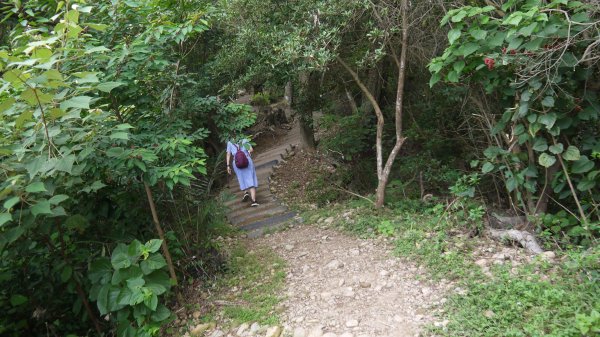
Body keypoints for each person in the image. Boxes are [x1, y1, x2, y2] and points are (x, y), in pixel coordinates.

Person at [226, 136, 259, 207]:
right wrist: (249, 153)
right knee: (250, 178)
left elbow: (228, 154)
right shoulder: (244, 140)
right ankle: (253, 201)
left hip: (237, 163)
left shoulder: (229, 143)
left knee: (241, 178)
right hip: (247, 160)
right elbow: (251, 149)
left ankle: (246, 192)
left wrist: (228, 165)